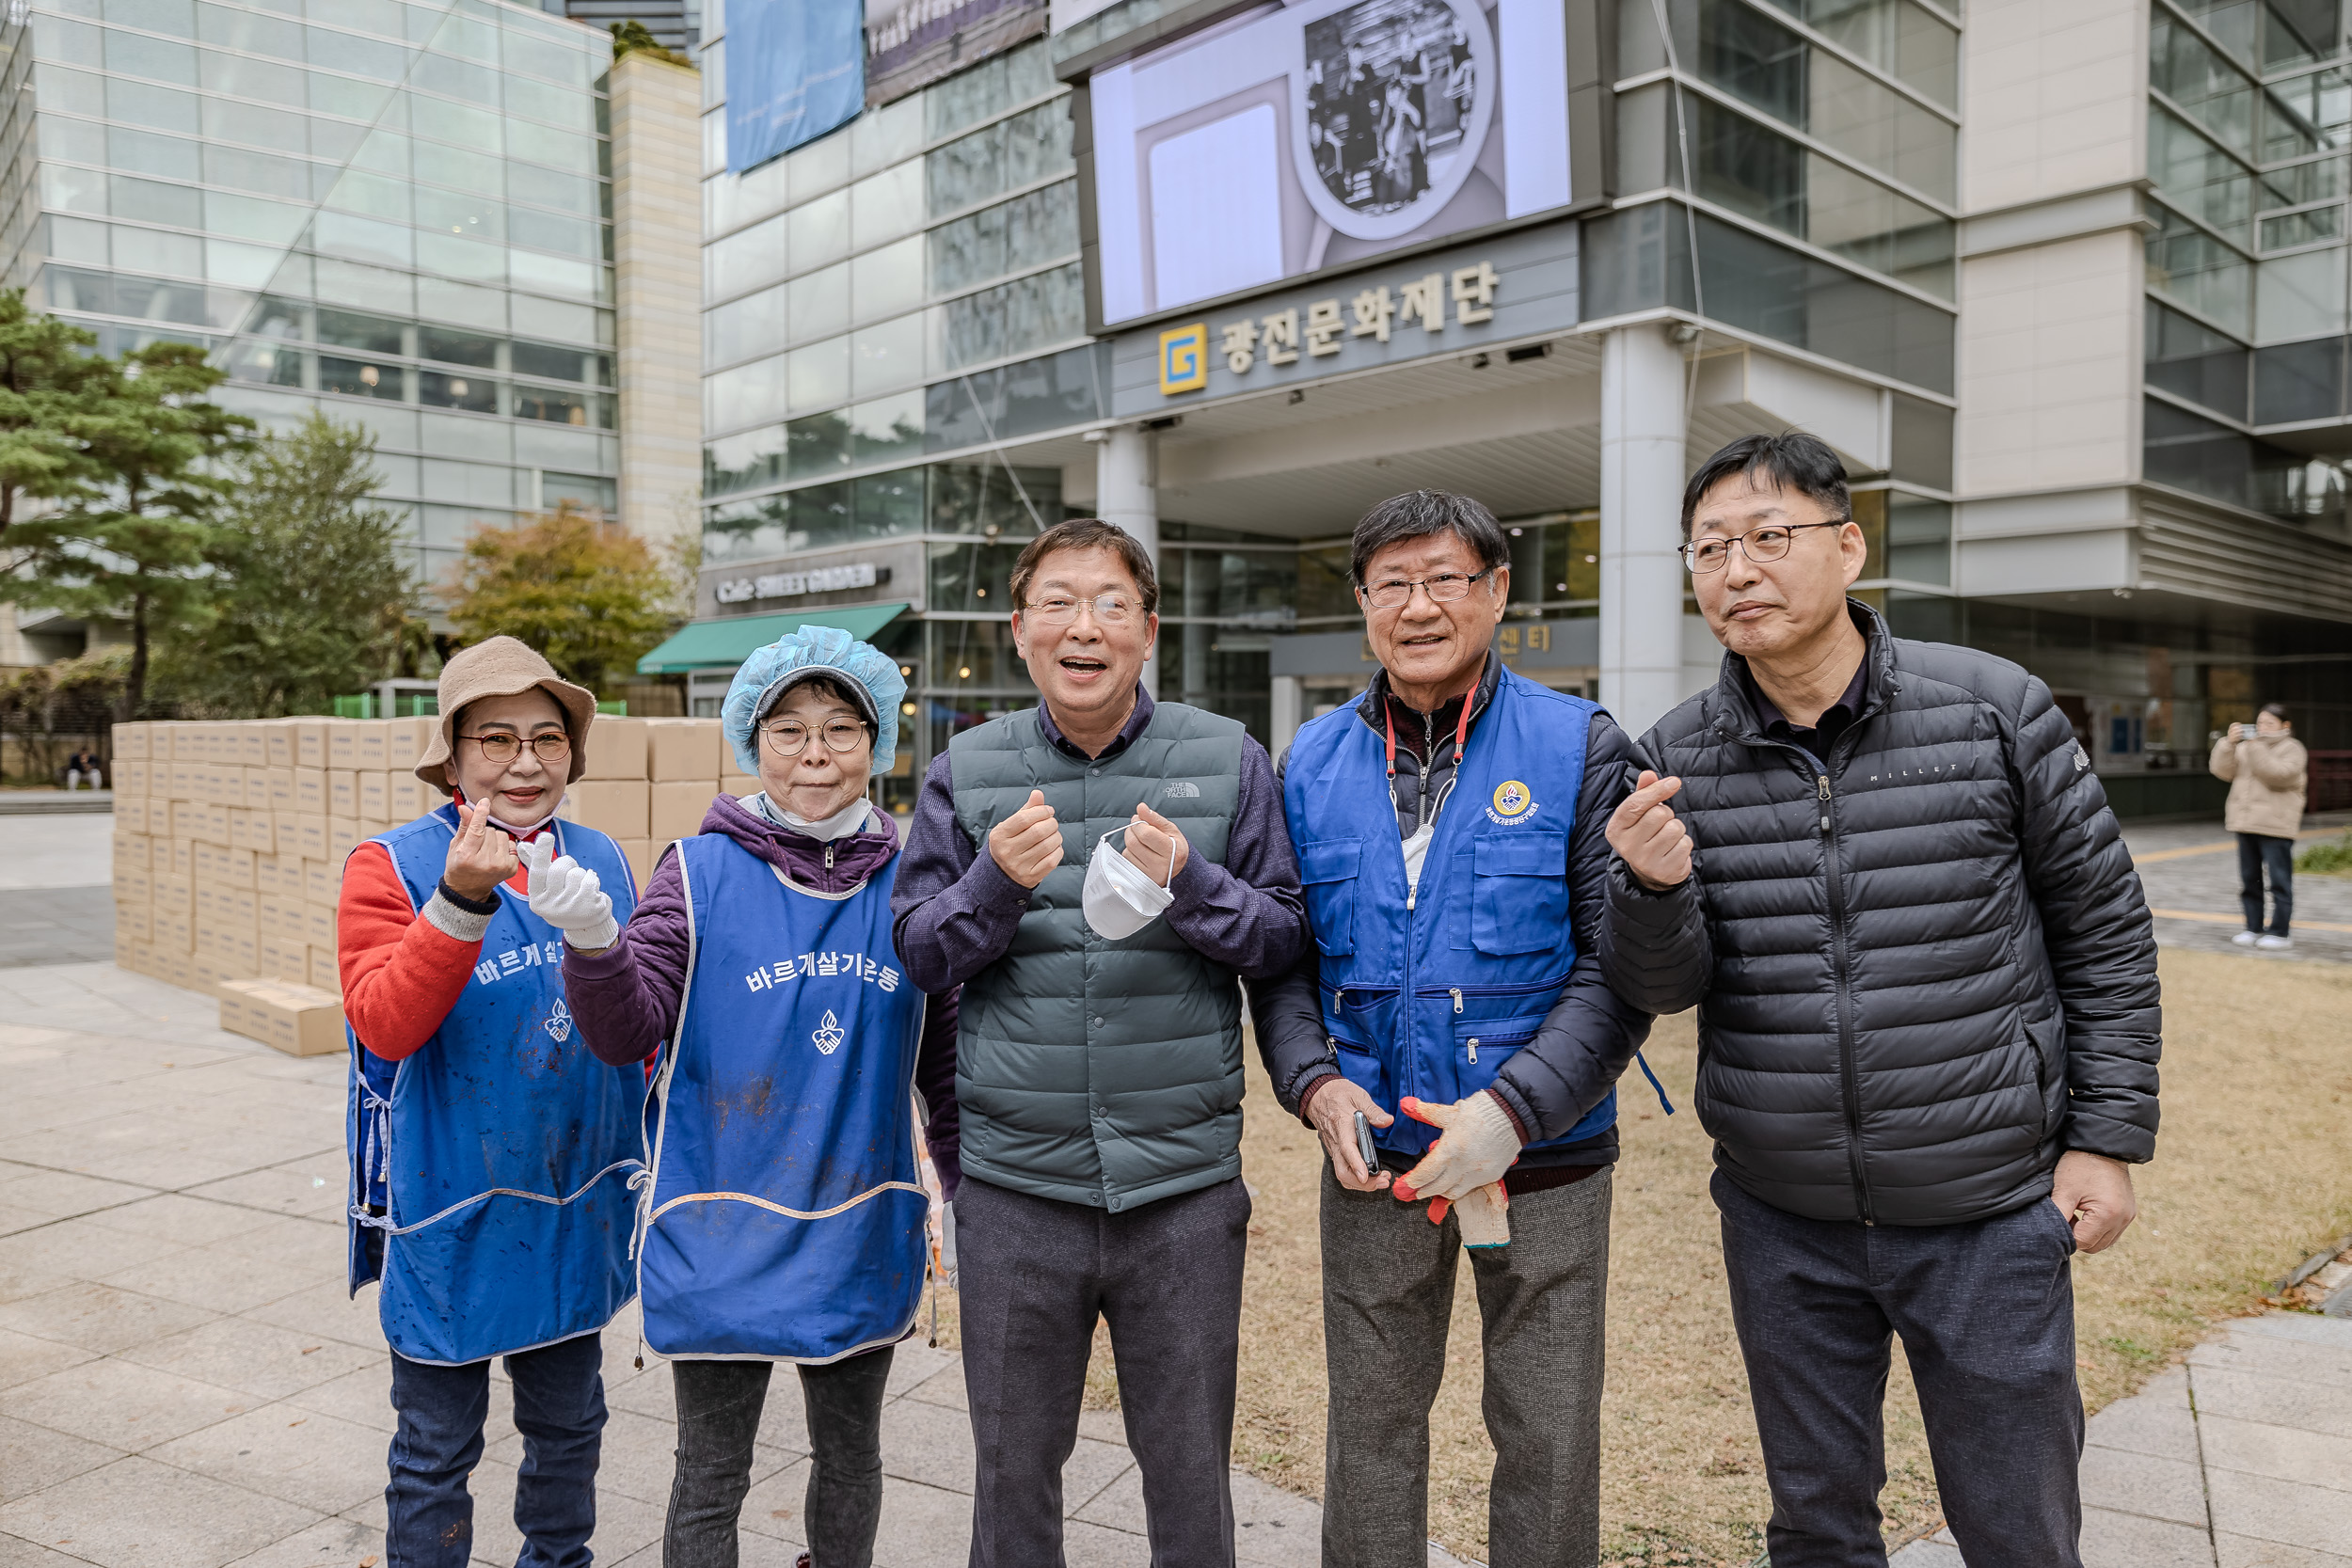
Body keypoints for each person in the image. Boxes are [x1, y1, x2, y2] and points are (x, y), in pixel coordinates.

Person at [1597, 434, 2162, 1568]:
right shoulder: (1670, 756)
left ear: (1848, 547)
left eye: (1768, 536)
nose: (1736, 570)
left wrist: (2105, 1138)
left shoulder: (1992, 708)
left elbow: (2103, 930)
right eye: (1709, 548)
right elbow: (1662, 988)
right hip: (1780, 1212)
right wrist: (1649, 887)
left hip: (1988, 1207)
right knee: (1815, 1522)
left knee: (2017, 1520)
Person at [1250, 490, 1661, 1566]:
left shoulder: (1580, 742)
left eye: (1446, 578)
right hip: (1374, 1155)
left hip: (1549, 1157)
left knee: (1549, 1433)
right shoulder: (1311, 761)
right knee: (1371, 1431)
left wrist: (1513, 1109)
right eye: (1394, 582)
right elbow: (1285, 961)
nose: (1420, 604)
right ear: (1362, 603)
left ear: (1496, 591)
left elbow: (1620, 966)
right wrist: (1313, 1084)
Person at [890, 516, 1308, 1567]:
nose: (1086, 625)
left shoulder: (1226, 755)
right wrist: (991, 883)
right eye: (1060, 603)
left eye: (1111, 603)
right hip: (1015, 1187)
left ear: (1149, 629)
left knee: (1188, 1471)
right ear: (1020, 629)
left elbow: (1281, 935)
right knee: (1011, 1473)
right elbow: (917, 951)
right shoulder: (966, 767)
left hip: (1184, 1187)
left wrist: (1194, 884)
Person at [546, 626, 960, 1568]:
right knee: (711, 1470)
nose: (815, 754)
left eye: (841, 728)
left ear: (879, 740)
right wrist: (594, 946)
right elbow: (626, 1029)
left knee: (851, 1455)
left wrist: (966, 1189)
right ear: (751, 740)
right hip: (719, 1222)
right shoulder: (695, 874)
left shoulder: (914, 886)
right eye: (789, 730)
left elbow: (944, 1061)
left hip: (859, 1220)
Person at [338, 635, 644, 1568]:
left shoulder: (601, 858)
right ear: (456, 753)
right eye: (497, 737)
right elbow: (385, 1023)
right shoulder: (389, 864)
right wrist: (461, 901)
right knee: (435, 1451)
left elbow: (640, 1027)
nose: (524, 761)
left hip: (572, 1205)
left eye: (547, 738)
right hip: (450, 1210)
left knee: (570, 1428)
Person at [2210, 701, 2308, 951]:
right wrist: (2228, 744)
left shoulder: (2292, 749)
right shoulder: (2247, 748)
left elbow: (2278, 775)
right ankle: (2253, 928)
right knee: (2249, 880)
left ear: (2285, 725)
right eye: (2260, 722)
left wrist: (2255, 748)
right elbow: (2221, 771)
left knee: (2279, 881)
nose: (2262, 727)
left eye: (2269, 723)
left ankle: (2280, 932)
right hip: (2245, 822)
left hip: (2276, 826)